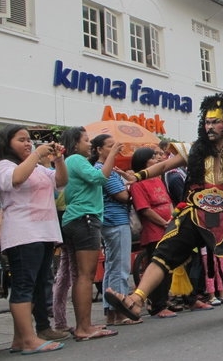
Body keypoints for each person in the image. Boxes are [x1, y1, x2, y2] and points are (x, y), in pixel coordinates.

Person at [105, 94, 223, 319]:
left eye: (216, 121)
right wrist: (137, 177)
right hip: (195, 212)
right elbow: (165, 165)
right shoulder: (194, 149)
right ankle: (135, 300)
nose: (210, 126)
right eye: (207, 121)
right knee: (164, 253)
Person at [0, 125, 68, 354]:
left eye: (29, 140)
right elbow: (15, 179)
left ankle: (20, 339)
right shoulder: (4, 165)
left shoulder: (36, 167)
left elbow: (61, 181)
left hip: (44, 233)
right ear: (8, 143)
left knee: (36, 286)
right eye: (21, 140)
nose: (28, 144)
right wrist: (37, 153)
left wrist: (58, 160)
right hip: (23, 235)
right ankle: (28, 340)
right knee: (24, 286)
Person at [61, 126, 120, 341]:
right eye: (86, 140)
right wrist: (112, 154)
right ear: (75, 143)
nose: (89, 144)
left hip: (77, 219)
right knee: (86, 275)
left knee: (81, 276)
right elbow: (100, 179)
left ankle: (84, 324)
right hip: (84, 218)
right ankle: (83, 328)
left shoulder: (73, 162)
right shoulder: (75, 160)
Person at [88, 134, 141, 326]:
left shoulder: (105, 170)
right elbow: (122, 195)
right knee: (120, 267)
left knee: (112, 267)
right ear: (99, 150)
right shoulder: (104, 170)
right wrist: (131, 186)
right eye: (110, 146)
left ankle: (110, 312)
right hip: (115, 221)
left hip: (110, 221)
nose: (115, 149)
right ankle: (120, 312)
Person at [129, 147, 177, 318]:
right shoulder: (137, 183)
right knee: (157, 266)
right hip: (154, 230)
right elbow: (144, 209)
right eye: (153, 157)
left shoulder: (157, 178)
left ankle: (165, 301)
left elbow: (168, 201)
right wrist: (164, 222)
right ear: (143, 162)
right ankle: (157, 305)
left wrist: (172, 218)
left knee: (168, 267)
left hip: (168, 227)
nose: (158, 159)